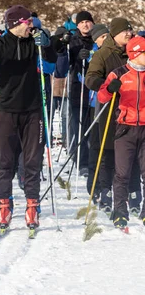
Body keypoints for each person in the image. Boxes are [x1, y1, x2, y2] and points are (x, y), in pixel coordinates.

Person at [0, 5, 60, 232]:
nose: (31, 25)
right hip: (6, 110)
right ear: (15, 24)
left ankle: (32, 204)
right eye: (27, 22)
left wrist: (47, 47)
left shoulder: (35, 43)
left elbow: (51, 68)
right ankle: (4, 203)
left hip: (33, 111)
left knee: (32, 160)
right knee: (5, 161)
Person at [86, 18, 140, 213]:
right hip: (110, 109)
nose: (129, 33)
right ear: (115, 34)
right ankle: (105, 192)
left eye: (130, 30)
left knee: (132, 155)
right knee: (108, 152)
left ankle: (134, 195)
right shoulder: (103, 54)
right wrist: (107, 86)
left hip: (134, 110)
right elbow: (90, 78)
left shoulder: (136, 49)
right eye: (125, 31)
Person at [97, 35, 145, 229]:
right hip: (125, 128)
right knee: (122, 173)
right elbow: (101, 97)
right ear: (135, 54)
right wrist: (110, 89)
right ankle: (120, 212)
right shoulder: (119, 73)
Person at [67, 10, 95, 179]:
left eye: (88, 21)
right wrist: (75, 55)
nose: (85, 24)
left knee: (93, 127)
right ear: (77, 25)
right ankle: (82, 161)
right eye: (82, 22)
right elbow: (65, 62)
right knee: (79, 127)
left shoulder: (98, 39)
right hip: (78, 88)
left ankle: (93, 160)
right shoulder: (72, 40)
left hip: (95, 91)